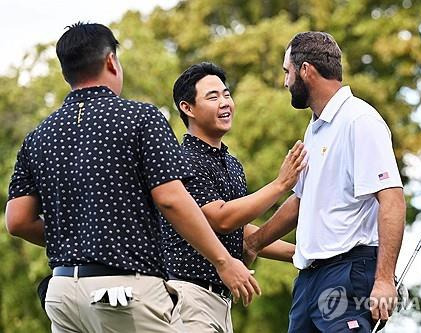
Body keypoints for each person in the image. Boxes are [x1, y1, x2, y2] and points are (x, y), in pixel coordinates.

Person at [5, 22, 259, 333]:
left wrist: (83, 237)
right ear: (111, 61)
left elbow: (17, 221)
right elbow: (170, 200)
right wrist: (223, 261)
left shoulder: (37, 137)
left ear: (65, 72)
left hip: (62, 295)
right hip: (121, 293)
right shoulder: (140, 118)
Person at [244, 31, 406, 332]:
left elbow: (392, 199)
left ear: (306, 70)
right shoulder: (315, 129)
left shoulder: (360, 120)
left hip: (347, 273)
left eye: (287, 72)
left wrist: (384, 279)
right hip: (308, 281)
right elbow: (301, 202)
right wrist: (255, 242)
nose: (285, 82)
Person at [163, 62, 305, 332]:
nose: (225, 103)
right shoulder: (183, 160)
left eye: (226, 94)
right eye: (213, 97)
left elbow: (240, 232)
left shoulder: (231, 163)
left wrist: (304, 255)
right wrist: (280, 185)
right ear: (187, 108)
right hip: (187, 296)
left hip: (220, 301)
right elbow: (221, 219)